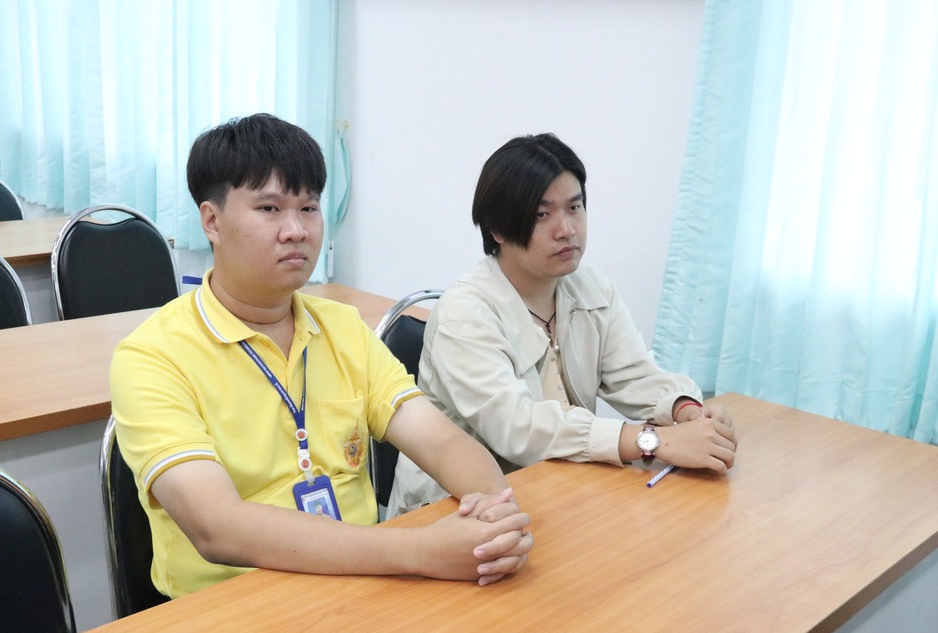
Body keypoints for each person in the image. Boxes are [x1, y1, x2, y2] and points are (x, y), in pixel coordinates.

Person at [109, 113, 532, 599]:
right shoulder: (151, 356)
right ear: (212, 221)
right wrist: (421, 551)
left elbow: (441, 442)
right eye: (269, 208)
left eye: (308, 207)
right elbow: (218, 527)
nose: (296, 230)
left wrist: (494, 513)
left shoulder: (343, 328)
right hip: (230, 608)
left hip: (360, 585)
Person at [388, 133, 737, 517]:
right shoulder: (464, 314)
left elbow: (636, 377)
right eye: (542, 215)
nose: (566, 229)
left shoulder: (591, 289)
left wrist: (687, 412)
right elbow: (519, 429)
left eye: (575, 207)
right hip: (454, 509)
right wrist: (651, 441)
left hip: (554, 489)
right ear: (498, 229)